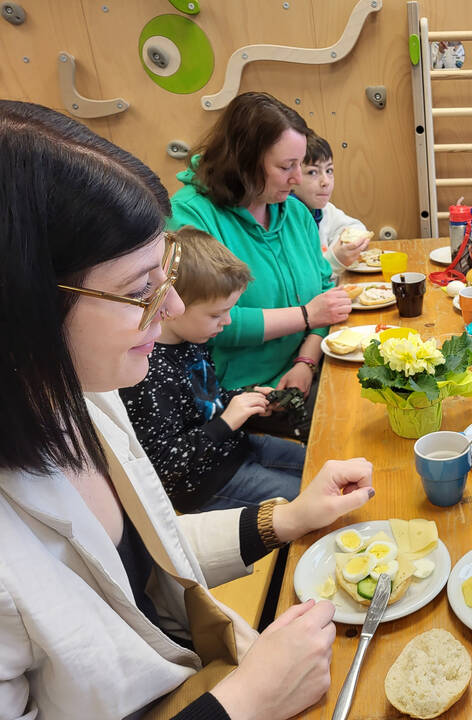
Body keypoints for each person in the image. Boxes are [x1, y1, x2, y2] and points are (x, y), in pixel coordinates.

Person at [0, 100, 374, 719]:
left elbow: (150, 550)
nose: (173, 309)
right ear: (24, 308)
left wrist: (287, 517)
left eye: (166, 274)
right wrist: (244, 703)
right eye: (140, 288)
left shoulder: (86, 400)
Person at [168, 92, 351, 409]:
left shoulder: (294, 213)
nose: (296, 179)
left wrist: (305, 361)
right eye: (286, 166)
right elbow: (204, 322)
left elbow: (326, 296)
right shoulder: (190, 216)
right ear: (244, 163)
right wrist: (306, 315)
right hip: (241, 399)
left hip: (307, 371)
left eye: (300, 164)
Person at [119, 226, 305, 513]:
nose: (227, 322)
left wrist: (246, 400)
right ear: (172, 305)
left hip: (236, 449)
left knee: (319, 462)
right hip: (207, 484)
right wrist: (227, 422)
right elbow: (166, 462)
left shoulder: (193, 339)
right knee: (309, 500)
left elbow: (206, 402)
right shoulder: (148, 372)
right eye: (217, 314)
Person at [290, 129, 371, 275]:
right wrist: (334, 260)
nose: (325, 182)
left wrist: (338, 250)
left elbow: (357, 228)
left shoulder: (323, 210)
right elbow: (306, 282)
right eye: (312, 172)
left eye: (329, 171)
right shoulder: (289, 220)